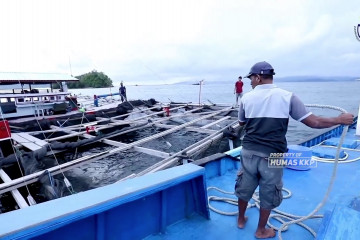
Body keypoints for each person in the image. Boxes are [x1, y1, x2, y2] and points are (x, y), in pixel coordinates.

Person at [236, 61, 354, 239]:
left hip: (249, 151)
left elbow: (242, 123)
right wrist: (339, 119)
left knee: (245, 185)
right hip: (274, 154)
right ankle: (261, 231)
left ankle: (240, 219)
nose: (250, 82)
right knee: (269, 191)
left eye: (251, 78)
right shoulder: (288, 97)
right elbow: (313, 122)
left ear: (258, 77)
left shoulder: (246, 98)